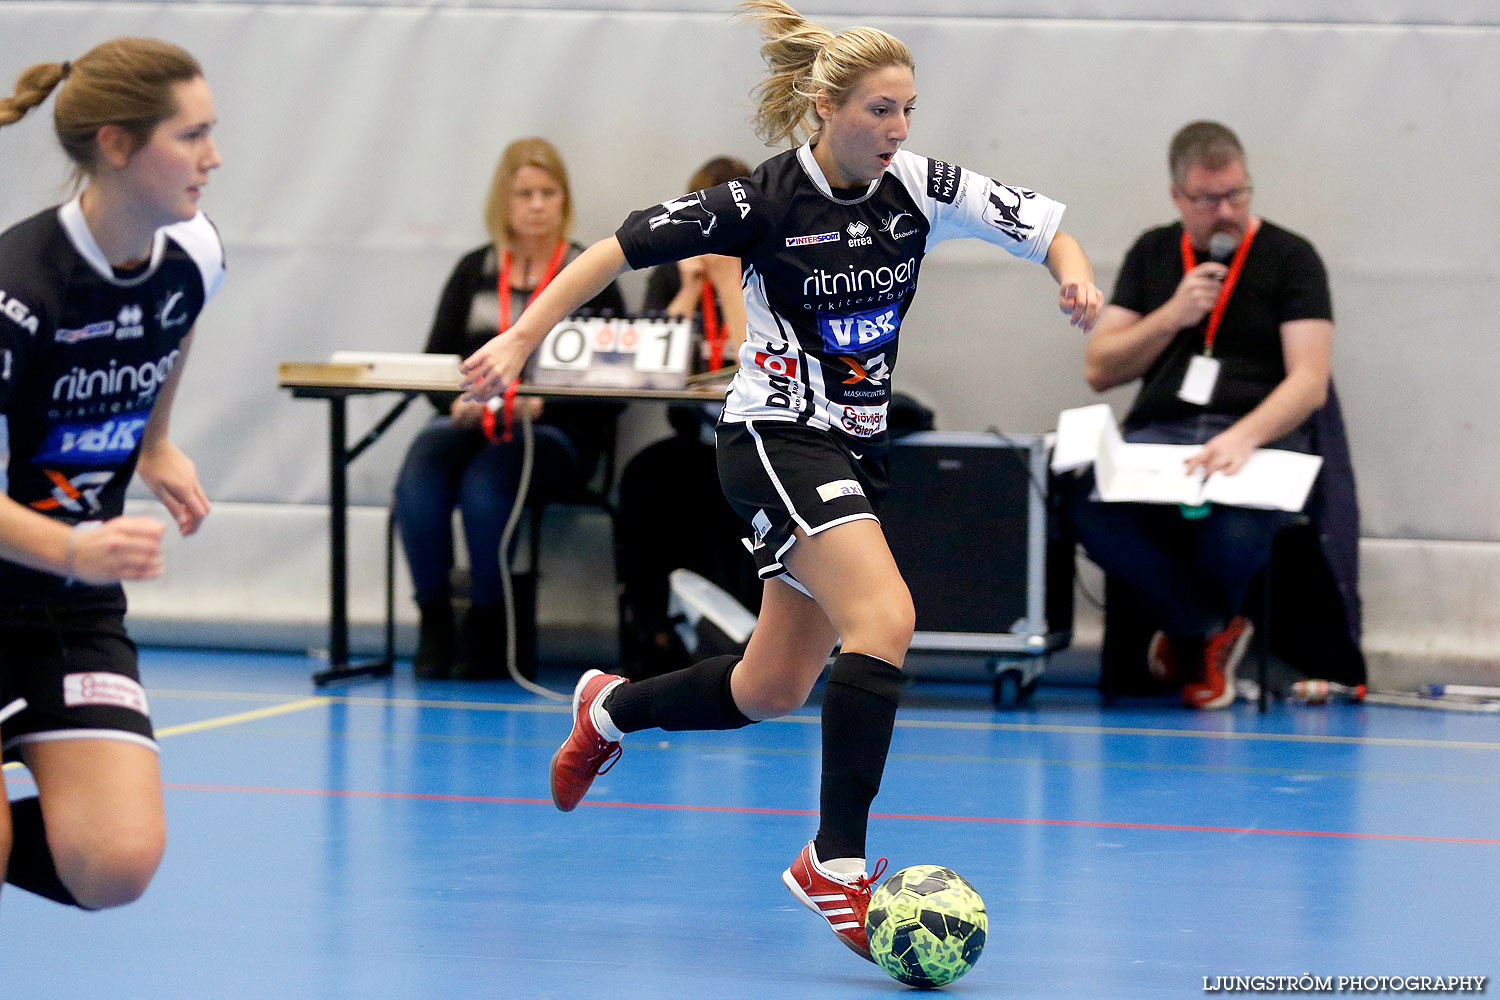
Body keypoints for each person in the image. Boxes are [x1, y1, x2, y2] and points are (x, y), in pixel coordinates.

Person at [460, 0, 1102, 962]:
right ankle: (834, 864)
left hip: (855, 450)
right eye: (881, 111)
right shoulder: (759, 201)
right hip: (774, 435)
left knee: (770, 686)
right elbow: (610, 252)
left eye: (909, 111)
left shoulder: (920, 187)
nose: (898, 131)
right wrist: (519, 336)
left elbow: (1043, 224)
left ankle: (611, 707)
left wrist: (1073, 275)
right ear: (823, 105)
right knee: (884, 617)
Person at [0, 37, 225, 910]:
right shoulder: (20, 289)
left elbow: (174, 328)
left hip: (65, 605)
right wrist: (74, 545)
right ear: (117, 144)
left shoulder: (192, 252)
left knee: (116, 866)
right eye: (191, 135)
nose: (214, 156)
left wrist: (156, 441)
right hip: (46, 559)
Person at [1063, 120, 1360, 709]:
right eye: (1208, 200)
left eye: (1237, 195)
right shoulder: (1154, 252)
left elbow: (1309, 381)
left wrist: (1246, 437)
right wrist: (1173, 313)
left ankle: (1187, 635)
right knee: (1079, 501)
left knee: (1234, 529)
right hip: (1161, 435)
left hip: (1256, 435)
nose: (1226, 211)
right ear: (1178, 197)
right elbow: (1101, 367)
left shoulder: (1290, 257)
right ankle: (1204, 630)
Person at [393, 137, 627, 681]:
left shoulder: (588, 270)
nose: (538, 204)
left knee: (485, 484)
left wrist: (548, 406)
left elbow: (618, 381)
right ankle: (433, 617)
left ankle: (487, 625)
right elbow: (436, 362)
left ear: (565, 201)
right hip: (473, 420)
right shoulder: (473, 269)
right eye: (525, 193)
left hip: (553, 435)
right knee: (419, 477)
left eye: (549, 193)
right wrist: (458, 401)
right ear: (504, 201)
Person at [616, 154, 760, 680]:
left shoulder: (770, 267)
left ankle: (742, 638)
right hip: (694, 439)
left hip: (756, 438)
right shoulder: (674, 270)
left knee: (736, 494)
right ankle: (651, 631)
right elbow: (648, 357)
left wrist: (727, 282)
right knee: (644, 482)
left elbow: (756, 358)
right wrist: (689, 289)